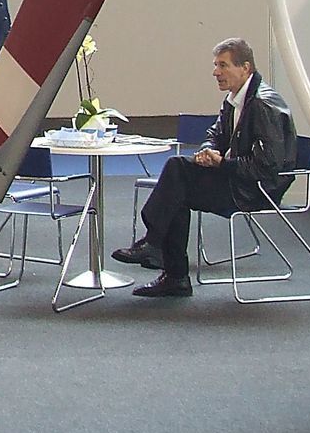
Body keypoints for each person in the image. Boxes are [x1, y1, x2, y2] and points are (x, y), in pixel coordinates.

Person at [113, 37, 297, 297]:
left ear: (245, 68)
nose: (216, 72)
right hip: (239, 179)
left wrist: (223, 163)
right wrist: (208, 151)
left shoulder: (261, 105)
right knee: (177, 182)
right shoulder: (236, 98)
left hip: (256, 190)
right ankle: (170, 270)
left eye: (223, 65)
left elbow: (267, 167)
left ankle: (161, 253)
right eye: (215, 65)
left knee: (177, 174)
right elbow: (216, 133)